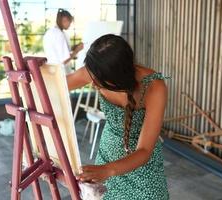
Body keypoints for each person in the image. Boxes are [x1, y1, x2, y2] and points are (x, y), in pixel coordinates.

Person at [67, 34, 170, 199]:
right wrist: (36, 72)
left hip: (141, 166)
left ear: (117, 78)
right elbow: (57, 86)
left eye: (99, 81)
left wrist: (108, 170)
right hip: (107, 155)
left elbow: (144, 150)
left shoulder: (154, 87)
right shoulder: (98, 69)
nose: (93, 84)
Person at [43, 8, 83, 73]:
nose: (70, 25)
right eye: (69, 22)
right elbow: (64, 60)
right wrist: (77, 50)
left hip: (51, 70)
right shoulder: (59, 34)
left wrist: (73, 48)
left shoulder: (50, 32)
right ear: (64, 20)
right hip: (61, 72)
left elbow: (56, 51)